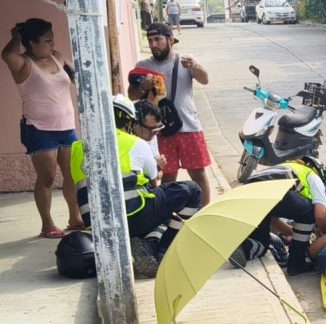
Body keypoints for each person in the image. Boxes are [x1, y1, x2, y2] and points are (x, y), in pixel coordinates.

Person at [69, 95, 201, 272]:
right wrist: (157, 168)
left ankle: (144, 243)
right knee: (191, 191)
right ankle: (161, 249)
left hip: (96, 224)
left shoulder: (77, 147)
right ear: (131, 122)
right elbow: (154, 185)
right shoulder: (136, 143)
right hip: (133, 218)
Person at [2, 18, 85, 238]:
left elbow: (78, 78)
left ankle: (75, 217)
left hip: (67, 127)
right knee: (47, 178)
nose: (52, 44)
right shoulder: (23, 63)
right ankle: (47, 225)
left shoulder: (58, 57)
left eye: (52, 39)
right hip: (39, 129)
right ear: (32, 43)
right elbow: (7, 55)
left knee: (72, 175)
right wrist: (16, 36)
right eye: (47, 41)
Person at [130, 23, 212, 206]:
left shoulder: (185, 61)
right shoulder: (143, 66)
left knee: (198, 174)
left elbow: (205, 79)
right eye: (150, 40)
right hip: (159, 131)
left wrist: (195, 66)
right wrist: (143, 87)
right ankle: (168, 215)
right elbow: (132, 95)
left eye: (157, 39)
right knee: (167, 176)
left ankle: (204, 212)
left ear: (170, 40)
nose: (153, 44)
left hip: (189, 126)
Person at [233, 157, 326, 275]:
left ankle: (243, 247)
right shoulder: (313, 175)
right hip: (274, 191)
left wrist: (297, 233)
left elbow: (274, 221)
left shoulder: (282, 167)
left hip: (248, 193)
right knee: (308, 211)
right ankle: (297, 263)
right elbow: (320, 216)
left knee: (261, 245)